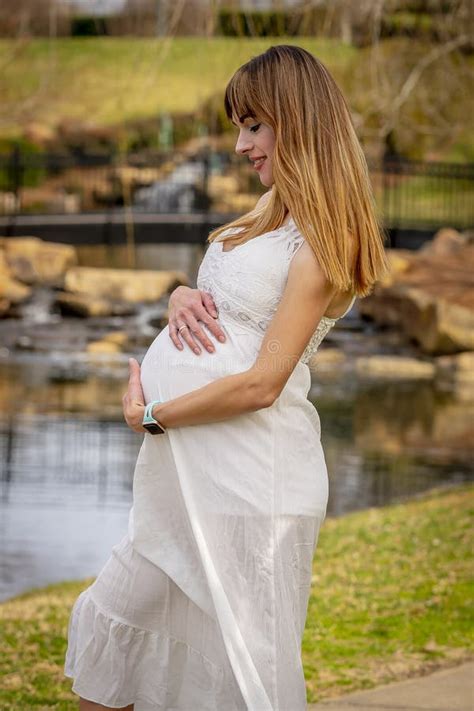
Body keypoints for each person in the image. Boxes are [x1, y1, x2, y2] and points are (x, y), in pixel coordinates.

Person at [64, 45, 389, 710]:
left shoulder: (324, 240)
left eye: (253, 125)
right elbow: (222, 304)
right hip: (187, 483)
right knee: (116, 621)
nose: (241, 145)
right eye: (240, 127)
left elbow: (262, 381)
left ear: (296, 121)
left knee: (241, 675)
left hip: (252, 482)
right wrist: (179, 296)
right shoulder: (267, 213)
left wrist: (155, 413)